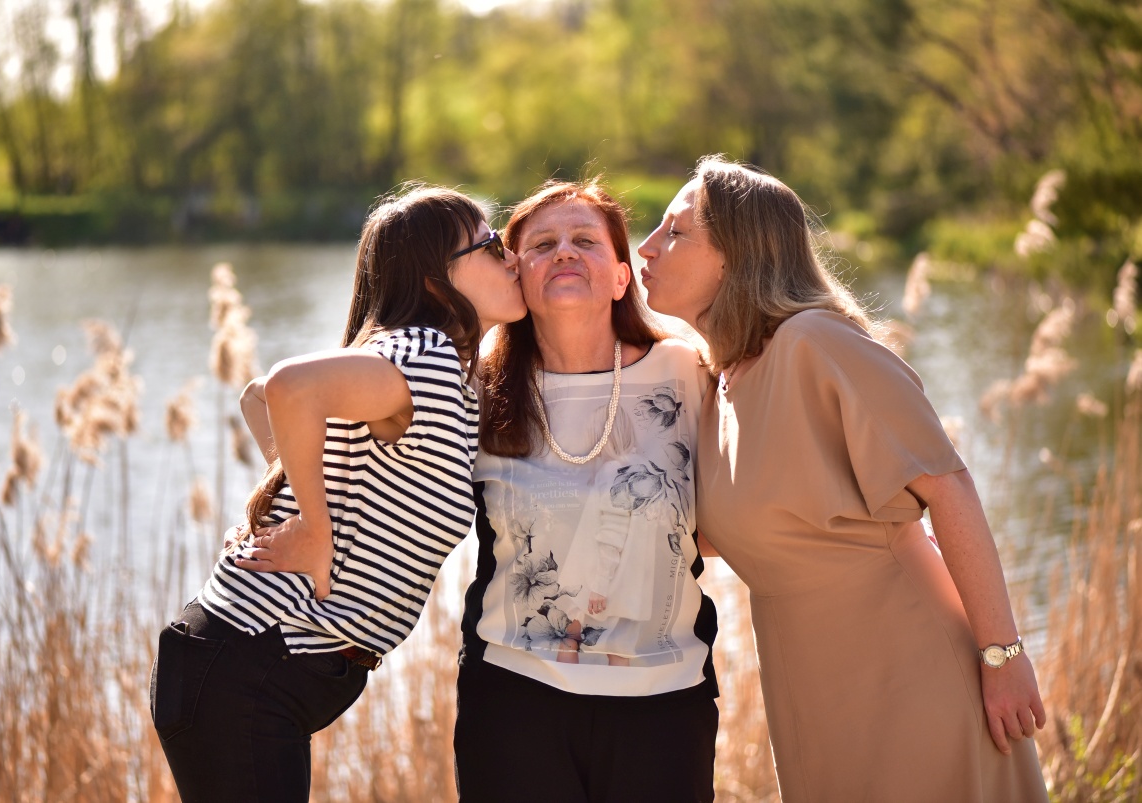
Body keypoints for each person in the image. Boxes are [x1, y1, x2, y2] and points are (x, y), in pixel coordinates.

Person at [637, 156, 1049, 802]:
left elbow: (948, 486)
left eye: (675, 232)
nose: (646, 247)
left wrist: (1003, 656)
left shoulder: (816, 344)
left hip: (913, 679)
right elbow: (723, 535)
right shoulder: (719, 387)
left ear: (736, 256)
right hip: (815, 702)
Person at [149, 185, 527, 803]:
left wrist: (315, 491)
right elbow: (285, 389)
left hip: (251, 668)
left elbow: (255, 396)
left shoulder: (447, 374)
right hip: (250, 665)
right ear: (436, 282)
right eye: (489, 245)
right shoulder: (425, 357)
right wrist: (312, 527)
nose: (510, 256)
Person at [455, 179, 720, 802]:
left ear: (623, 277)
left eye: (585, 240)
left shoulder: (688, 372)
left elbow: (737, 512)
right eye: (542, 244)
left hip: (665, 703)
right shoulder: (474, 387)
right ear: (517, 277)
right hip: (515, 699)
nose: (565, 252)